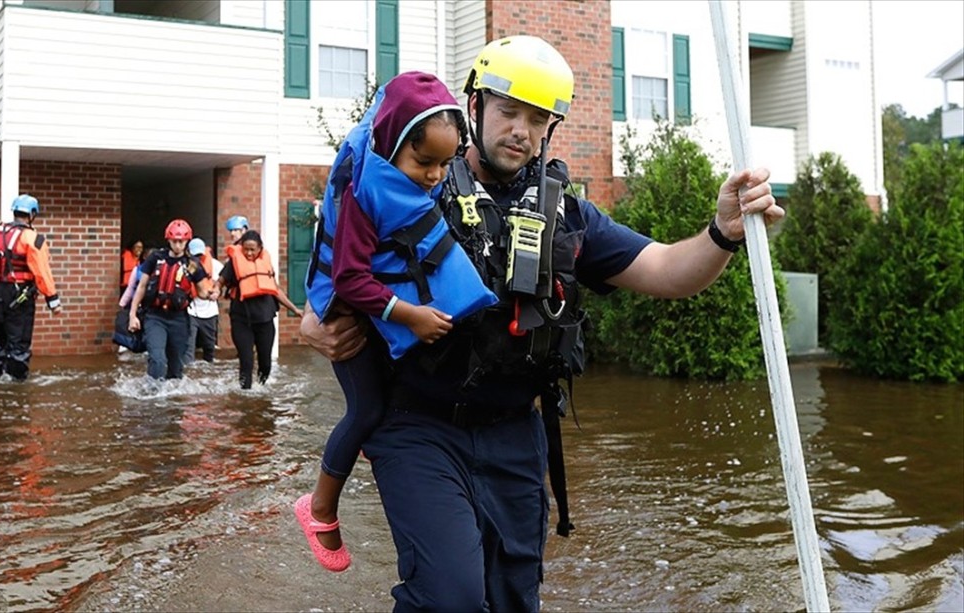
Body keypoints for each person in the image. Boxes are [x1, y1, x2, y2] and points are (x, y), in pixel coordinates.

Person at [300, 36, 784, 610]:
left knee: (513, 599)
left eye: (537, 120)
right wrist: (313, 321)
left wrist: (723, 232)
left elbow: (668, 270)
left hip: (514, 431)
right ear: (475, 105)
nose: (521, 131)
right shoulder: (416, 178)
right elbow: (338, 254)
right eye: (508, 111)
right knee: (451, 598)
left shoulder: (568, 214)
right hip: (417, 425)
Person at [293, 71, 498, 573]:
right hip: (346, 314)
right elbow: (348, 279)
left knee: (387, 404)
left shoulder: (412, 177)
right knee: (365, 411)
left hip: (375, 313)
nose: (434, 176)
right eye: (423, 163)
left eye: (444, 164)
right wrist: (411, 315)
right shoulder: (365, 194)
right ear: (391, 145)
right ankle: (318, 508)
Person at [0, 194, 63, 380]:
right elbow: (42, 272)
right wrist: (53, 301)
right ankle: (16, 384)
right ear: (32, 214)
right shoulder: (32, 238)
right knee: (18, 342)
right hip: (18, 295)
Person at [128, 219, 212, 380]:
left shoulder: (192, 264)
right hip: (155, 316)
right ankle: (153, 391)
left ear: (187, 241)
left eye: (182, 242)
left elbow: (202, 291)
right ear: (169, 240)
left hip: (179, 318)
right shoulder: (155, 258)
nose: (178, 245)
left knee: (176, 368)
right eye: (174, 241)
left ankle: (171, 394)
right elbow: (141, 287)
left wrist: (212, 294)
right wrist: (133, 315)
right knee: (157, 359)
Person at [219, 229, 302, 389]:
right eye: (246, 249)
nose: (249, 253)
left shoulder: (265, 264)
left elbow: (275, 290)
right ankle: (245, 397)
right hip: (241, 320)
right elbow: (220, 281)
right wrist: (215, 290)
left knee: (265, 364)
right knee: (246, 362)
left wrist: (295, 309)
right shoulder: (234, 263)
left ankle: (260, 391)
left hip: (265, 320)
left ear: (260, 249)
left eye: (253, 249)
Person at [183, 238, 223, 364]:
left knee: (209, 347)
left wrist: (216, 292)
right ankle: (189, 369)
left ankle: (208, 370)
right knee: (188, 347)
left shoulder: (215, 265)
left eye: (200, 255)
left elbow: (222, 282)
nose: (198, 258)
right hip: (191, 311)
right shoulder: (185, 266)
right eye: (195, 255)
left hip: (210, 312)